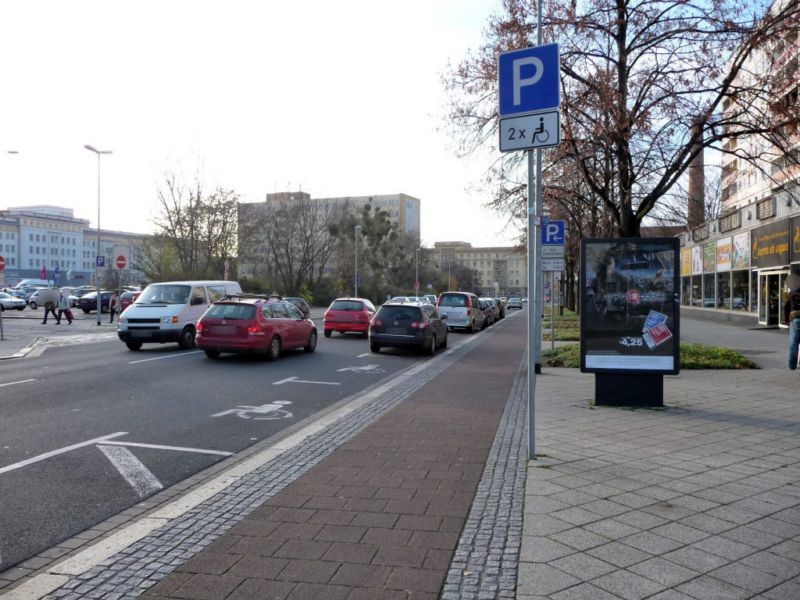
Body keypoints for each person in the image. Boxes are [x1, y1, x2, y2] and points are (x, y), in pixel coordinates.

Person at [784, 275, 800, 371]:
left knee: (793, 343)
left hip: (796, 320)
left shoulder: (793, 293)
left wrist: (786, 320)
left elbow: (786, 306)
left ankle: (792, 365)